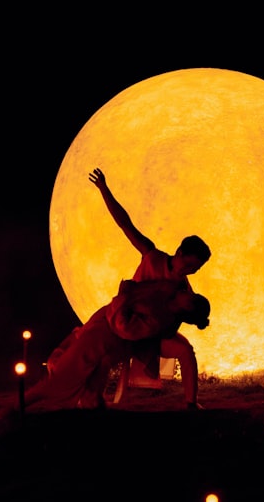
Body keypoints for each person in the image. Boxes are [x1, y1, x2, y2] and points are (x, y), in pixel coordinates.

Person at [89, 167, 212, 410]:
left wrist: (199, 319)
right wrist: (104, 189)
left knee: (186, 351)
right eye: (188, 264)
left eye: (195, 269)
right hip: (125, 325)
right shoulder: (152, 256)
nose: (189, 271)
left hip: (150, 337)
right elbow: (126, 225)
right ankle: (95, 403)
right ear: (179, 253)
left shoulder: (182, 288)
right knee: (103, 358)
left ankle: (191, 404)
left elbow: (187, 313)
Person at [25, 278, 210, 412]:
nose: (187, 291)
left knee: (66, 373)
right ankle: (89, 400)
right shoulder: (164, 292)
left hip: (106, 335)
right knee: (72, 368)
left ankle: (22, 403)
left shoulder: (159, 320)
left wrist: (123, 298)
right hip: (102, 326)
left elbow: (125, 329)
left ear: (187, 310)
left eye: (191, 298)